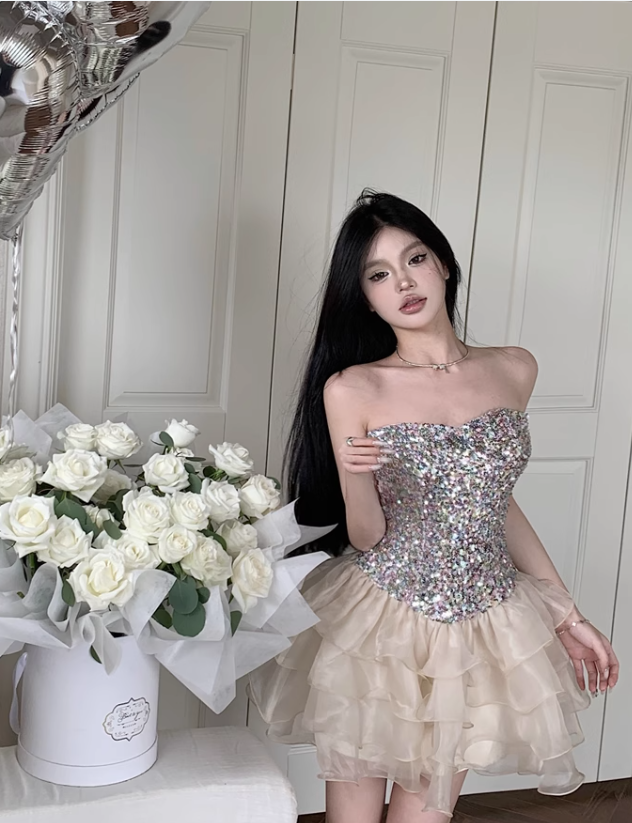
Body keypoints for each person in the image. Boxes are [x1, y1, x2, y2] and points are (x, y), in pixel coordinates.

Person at [249, 190, 619, 823]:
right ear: (365, 297)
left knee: (426, 814)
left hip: (483, 625)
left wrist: (567, 615)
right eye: (378, 274)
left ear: (443, 264)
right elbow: (367, 536)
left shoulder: (515, 368)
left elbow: (494, 503)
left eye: (415, 259)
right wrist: (355, 475)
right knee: (353, 814)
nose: (403, 283)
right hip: (381, 623)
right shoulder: (353, 387)